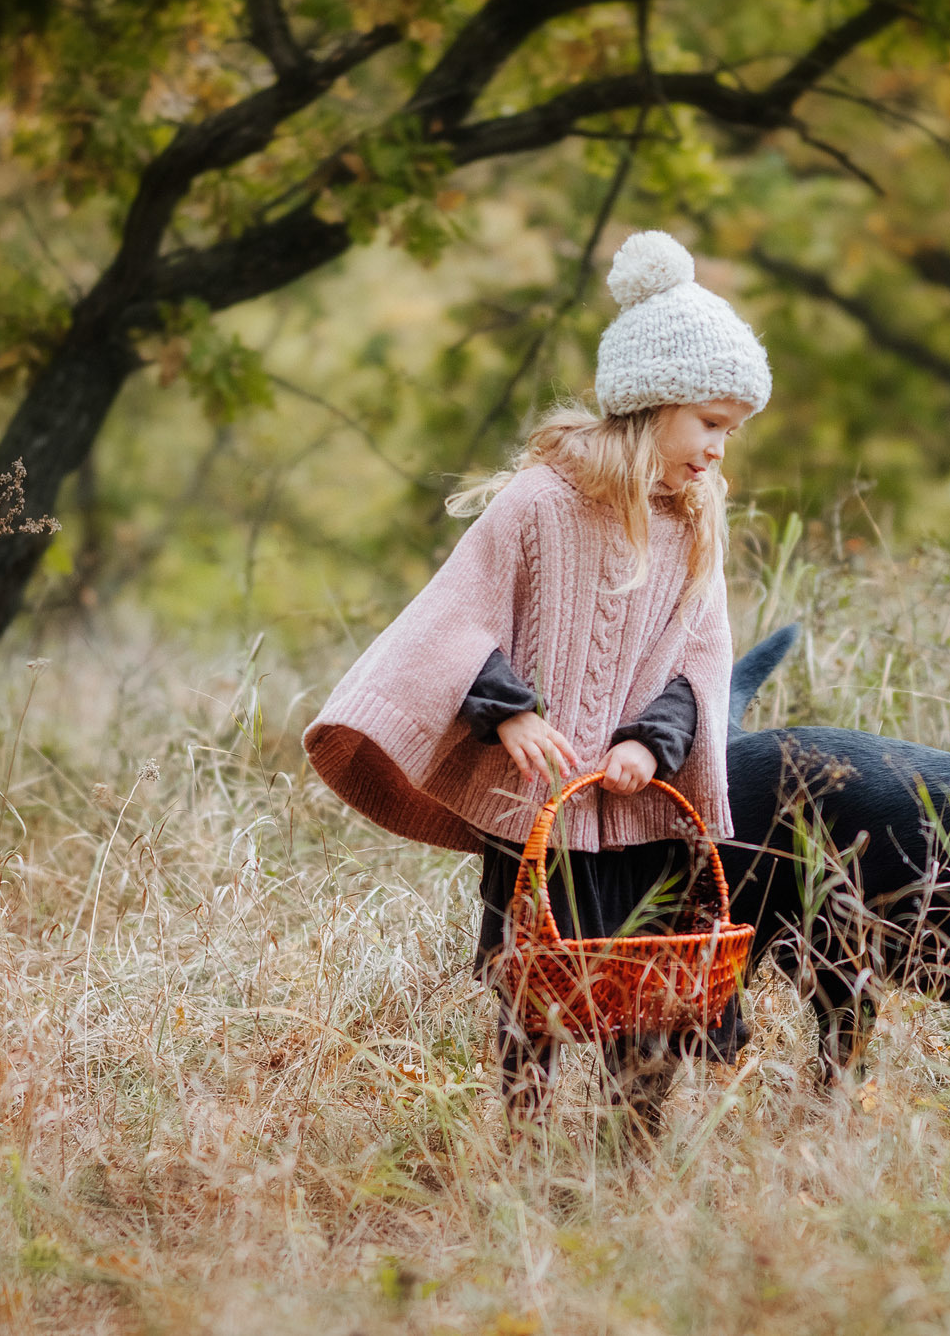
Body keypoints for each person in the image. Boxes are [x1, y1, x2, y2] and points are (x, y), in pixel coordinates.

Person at [302, 229, 767, 1122]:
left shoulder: (694, 523)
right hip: (539, 810)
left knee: (650, 990)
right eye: (710, 424)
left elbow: (700, 660)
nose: (717, 451)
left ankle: (631, 1144)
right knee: (535, 989)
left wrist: (650, 740)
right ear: (653, 402)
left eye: (731, 434)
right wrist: (507, 713)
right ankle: (521, 1140)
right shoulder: (538, 504)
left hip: (638, 809)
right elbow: (455, 617)